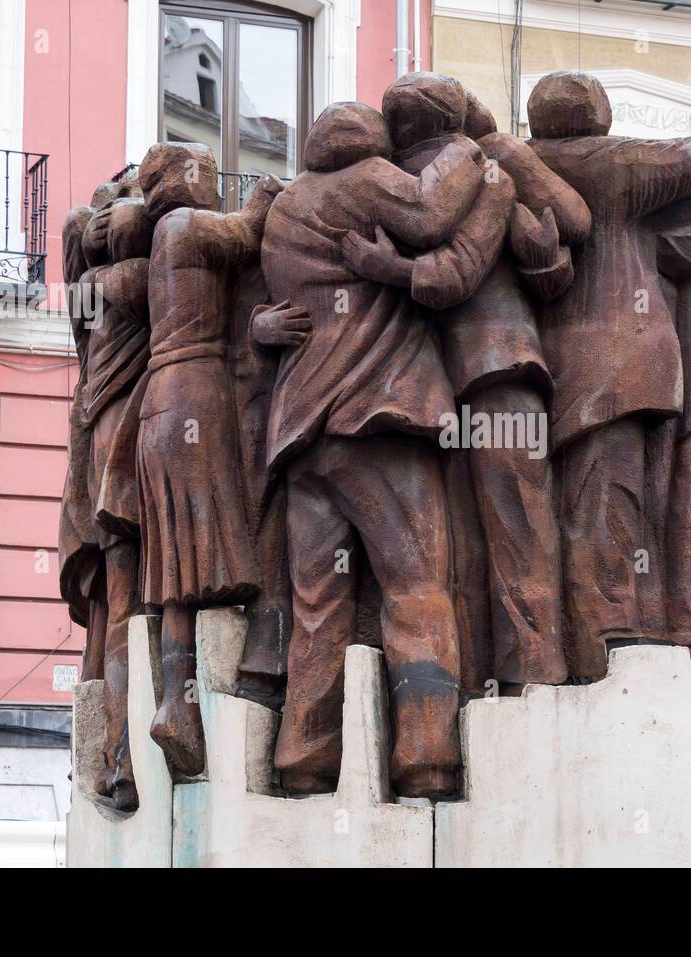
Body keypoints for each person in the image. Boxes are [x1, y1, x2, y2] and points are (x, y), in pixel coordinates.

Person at [523, 70, 691, 679]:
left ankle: (613, 627)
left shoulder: (519, 169)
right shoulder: (606, 166)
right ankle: (607, 637)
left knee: (600, 505)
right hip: (617, 371)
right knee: (611, 504)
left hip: (573, 375)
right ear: (597, 115)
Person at [256, 102, 485, 799]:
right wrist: (469, 152)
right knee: (417, 586)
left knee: (317, 603)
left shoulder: (286, 208)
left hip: (304, 431)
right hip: (376, 417)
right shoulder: (366, 181)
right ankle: (426, 751)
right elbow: (428, 211)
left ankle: (304, 753)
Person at [339, 74, 590, 692]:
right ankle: (519, 675)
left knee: (490, 534)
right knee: (506, 531)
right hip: (477, 382)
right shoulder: (461, 174)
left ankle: (518, 676)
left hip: (473, 378)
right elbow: (549, 249)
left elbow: (459, 274)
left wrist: (386, 267)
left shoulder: (429, 181)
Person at [136, 142, 282, 776]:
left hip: (160, 402)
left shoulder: (157, 243)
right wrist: (269, 193)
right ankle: (184, 701)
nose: (215, 181)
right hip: (195, 392)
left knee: (176, 568)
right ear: (180, 181)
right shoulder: (186, 225)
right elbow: (249, 233)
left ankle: (178, 701)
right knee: (209, 540)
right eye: (206, 172)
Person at [76, 194, 155, 809]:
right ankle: (126, 760)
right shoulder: (141, 280)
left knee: (118, 609)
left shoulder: (90, 292)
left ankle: (117, 758)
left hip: (108, 451)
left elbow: (77, 234)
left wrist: (89, 226)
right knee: (129, 607)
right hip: (129, 457)